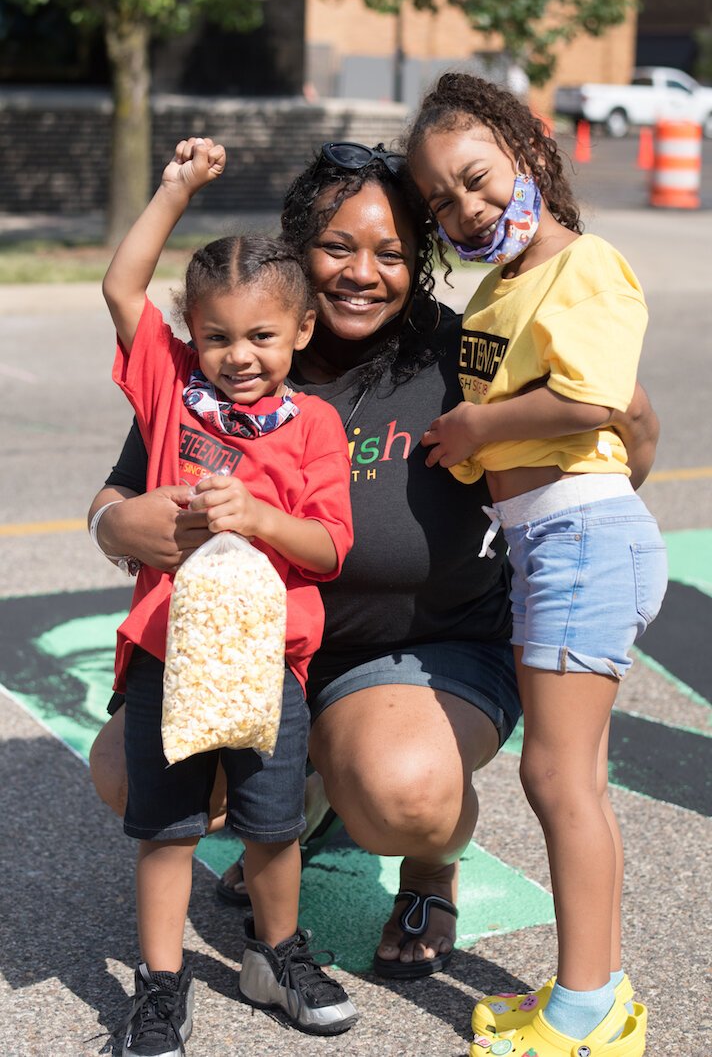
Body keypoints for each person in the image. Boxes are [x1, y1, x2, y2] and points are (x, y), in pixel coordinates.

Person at [88, 139, 660, 993]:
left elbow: (606, 431)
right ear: (295, 252)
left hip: (424, 647)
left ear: (420, 258)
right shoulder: (233, 354)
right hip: (256, 652)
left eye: (391, 252)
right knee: (128, 770)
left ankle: (429, 867)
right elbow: (118, 491)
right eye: (337, 247)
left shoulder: (460, 353)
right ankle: (293, 805)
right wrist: (114, 526)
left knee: (401, 790)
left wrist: (624, 417)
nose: (364, 272)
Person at [406, 74, 668, 1056]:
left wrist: (477, 422)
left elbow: (598, 398)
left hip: (581, 537)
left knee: (558, 777)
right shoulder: (495, 288)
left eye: (476, 180)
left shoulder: (585, 262)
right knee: (572, 778)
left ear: (530, 154)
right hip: (547, 542)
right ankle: (585, 986)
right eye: (441, 201)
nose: (465, 209)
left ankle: (589, 1011)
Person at [100, 135, 358, 1055]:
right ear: (191, 333)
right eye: (216, 335)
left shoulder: (316, 425)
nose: (237, 356)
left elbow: (329, 544)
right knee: (167, 828)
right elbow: (122, 289)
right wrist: (173, 192)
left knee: (271, 822)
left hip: (269, 665)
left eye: (260, 336)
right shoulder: (170, 388)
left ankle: (276, 952)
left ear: (301, 332)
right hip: (171, 654)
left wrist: (255, 516)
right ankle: (161, 983)